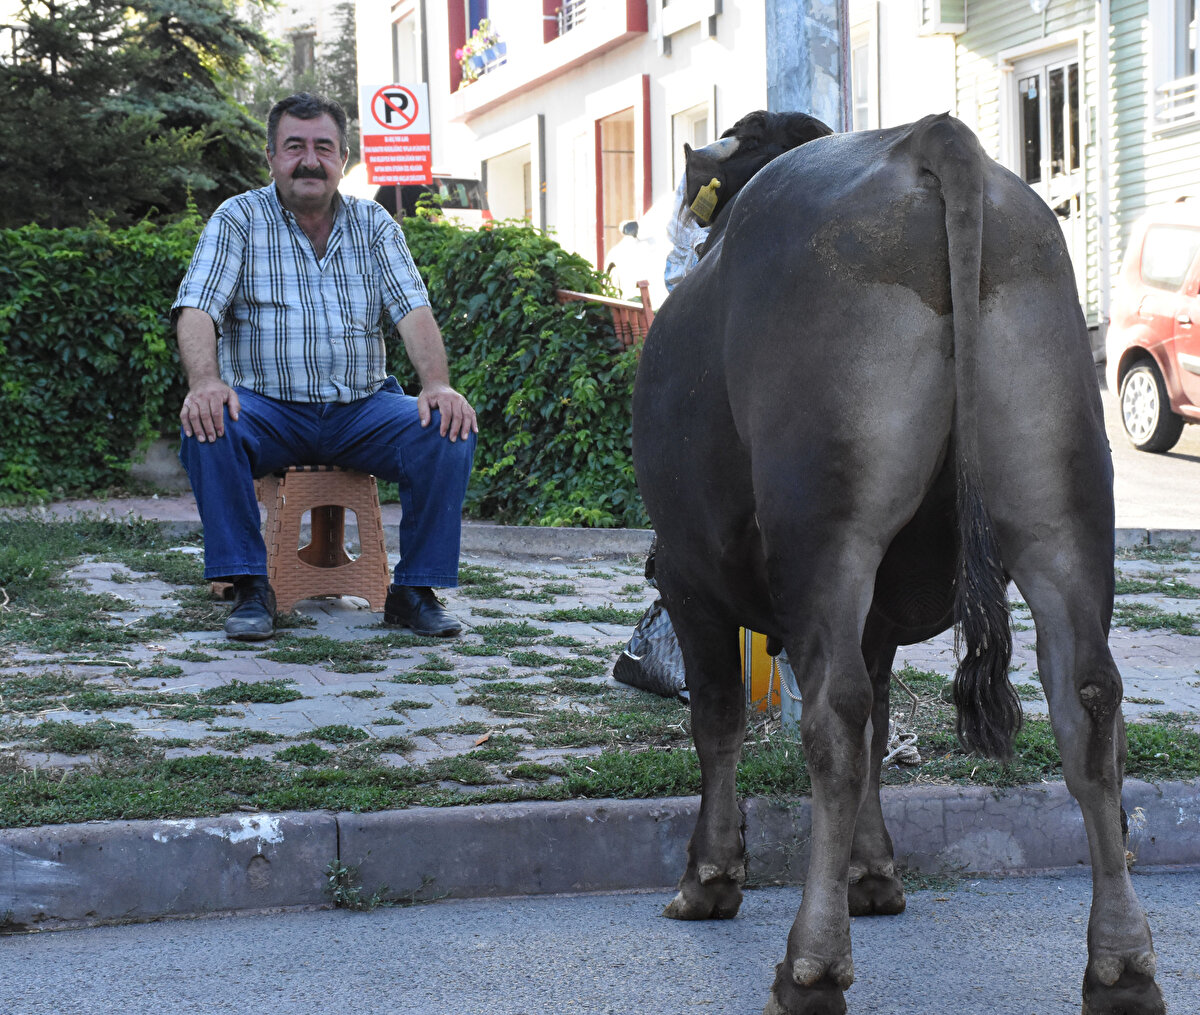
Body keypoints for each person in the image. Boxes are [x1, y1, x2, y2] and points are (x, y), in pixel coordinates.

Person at [172, 92, 477, 642]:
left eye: (323, 148)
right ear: (271, 157)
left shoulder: (373, 223)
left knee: (446, 428)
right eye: (294, 147)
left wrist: (437, 385)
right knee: (208, 424)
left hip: (362, 409)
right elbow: (197, 308)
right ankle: (250, 586)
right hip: (266, 410)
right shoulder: (238, 219)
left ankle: (414, 591)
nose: (309, 161)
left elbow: (413, 310)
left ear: (343, 158)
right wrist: (206, 382)